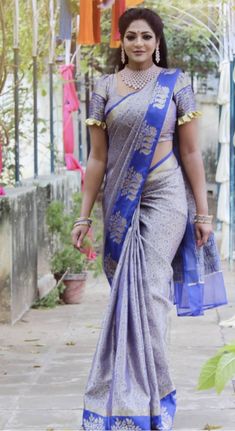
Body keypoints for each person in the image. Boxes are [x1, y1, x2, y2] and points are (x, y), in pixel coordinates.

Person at [71, 7, 227, 431]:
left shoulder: (177, 85)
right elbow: (97, 157)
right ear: (120, 41)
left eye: (146, 36)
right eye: (131, 36)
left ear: (157, 42)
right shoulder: (103, 87)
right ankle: (132, 397)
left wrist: (203, 212)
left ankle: (154, 399)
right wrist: (83, 217)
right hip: (120, 200)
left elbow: (192, 153)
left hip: (166, 195)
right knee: (125, 294)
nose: (139, 43)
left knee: (152, 292)